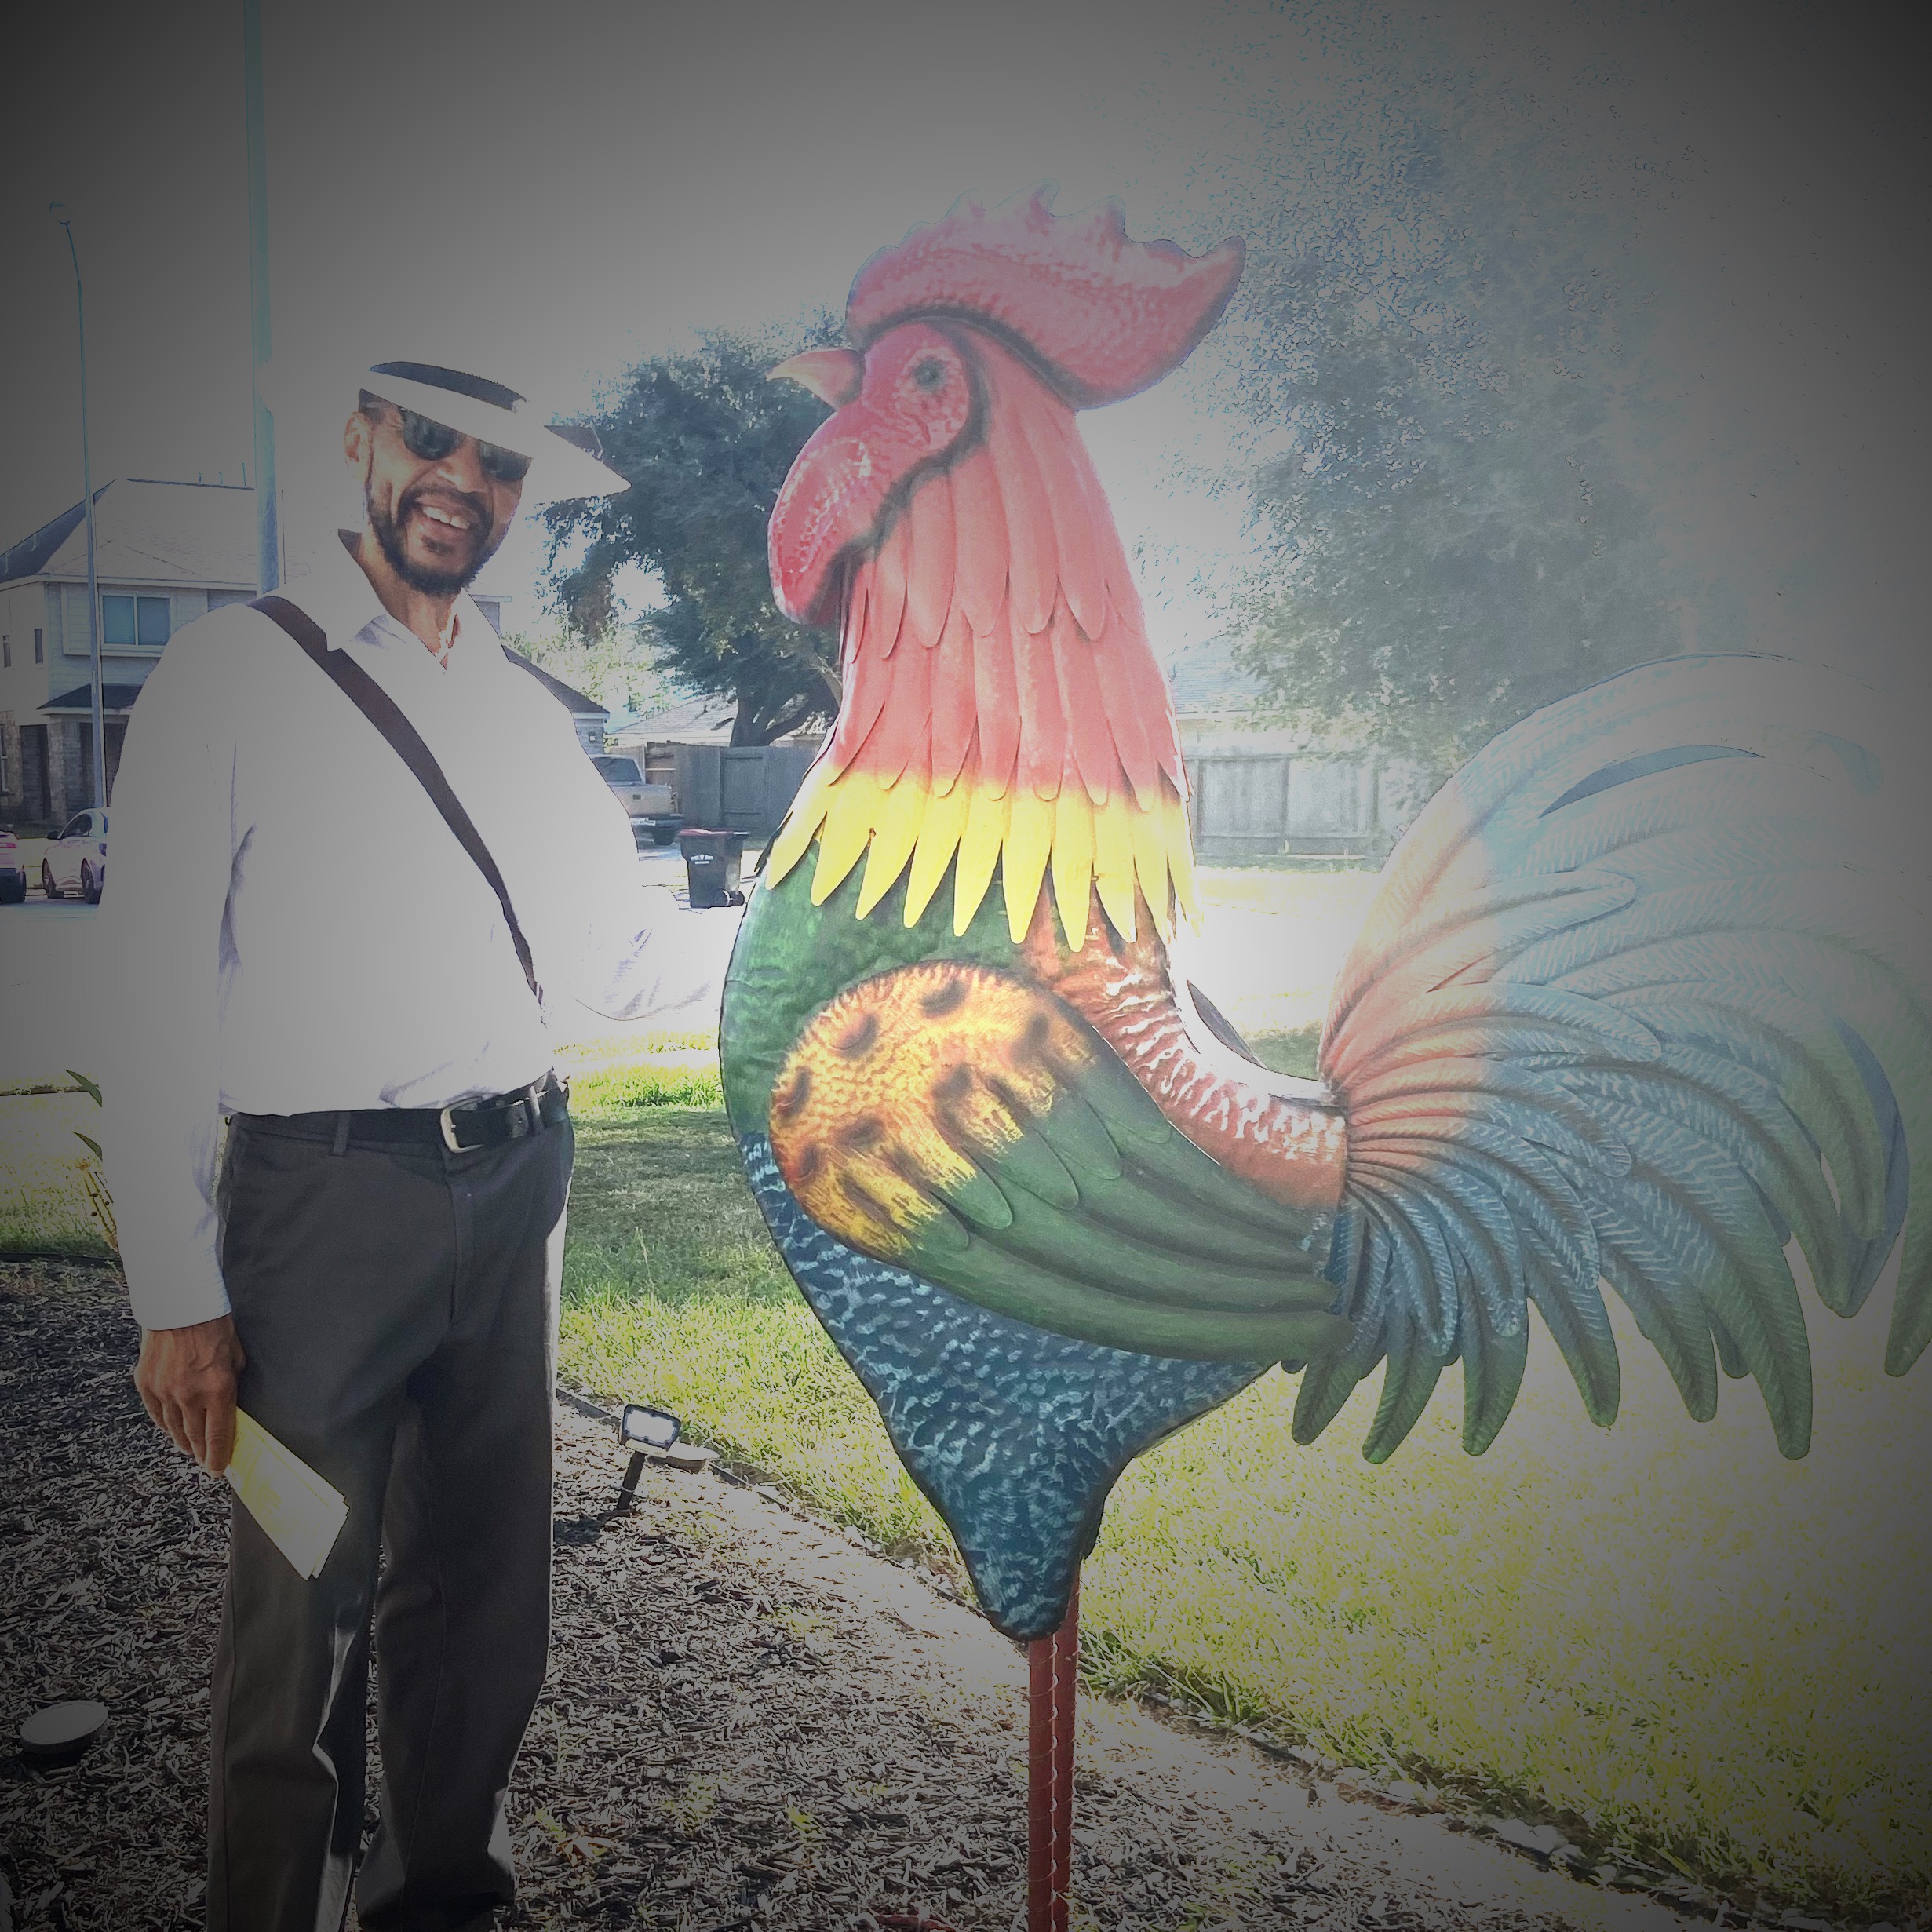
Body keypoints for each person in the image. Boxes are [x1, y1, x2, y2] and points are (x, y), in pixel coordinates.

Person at [102, 358, 687, 1931]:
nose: (463, 482)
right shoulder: (230, 672)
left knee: (483, 1603)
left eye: (501, 464)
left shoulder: (515, 705)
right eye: (433, 439)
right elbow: (149, 992)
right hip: (323, 1209)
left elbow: (619, 959)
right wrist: (176, 1291)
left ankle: (441, 1903)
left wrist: (819, 905)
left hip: (515, 1185)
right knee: (301, 1617)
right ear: (359, 435)